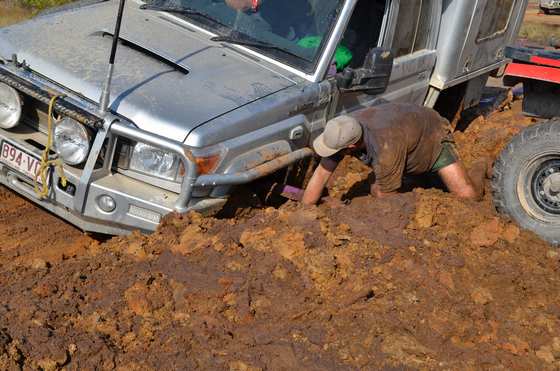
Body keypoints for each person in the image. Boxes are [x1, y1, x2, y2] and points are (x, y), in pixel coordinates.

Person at [302, 103, 488, 205]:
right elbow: (321, 173)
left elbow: (386, 196)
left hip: (431, 132)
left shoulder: (385, 148)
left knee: (468, 197)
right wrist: (305, 210)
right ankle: (421, 178)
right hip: (404, 137)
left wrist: (423, 205)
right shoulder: (344, 128)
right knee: (382, 184)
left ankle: (481, 165)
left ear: (351, 146)